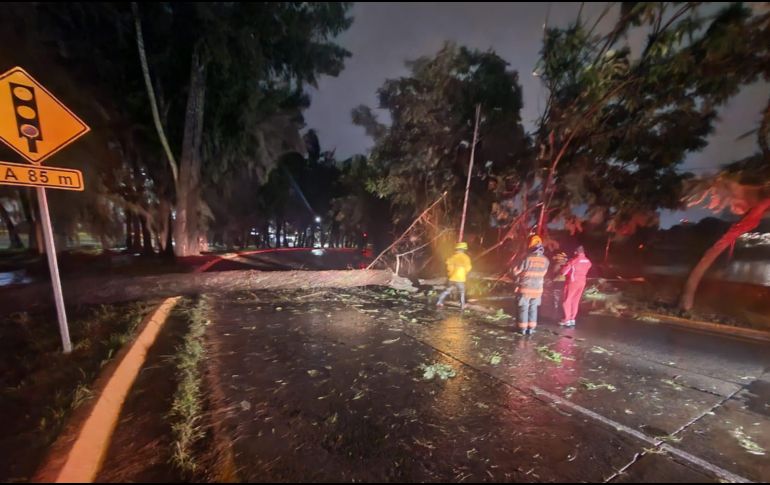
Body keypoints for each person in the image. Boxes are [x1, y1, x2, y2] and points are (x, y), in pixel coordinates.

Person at [512, 242, 549, 335]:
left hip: (526, 288)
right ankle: (531, 328)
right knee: (533, 307)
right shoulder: (546, 260)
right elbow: (544, 273)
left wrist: (514, 267)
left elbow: (516, 272)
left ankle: (522, 329)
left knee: (524, 307)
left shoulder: (527, 258)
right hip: (538, 289)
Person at [559, 246, 592, 328]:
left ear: (576, 252)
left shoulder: (573, 261)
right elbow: (587, 267)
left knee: (567, 300)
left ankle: (566, 319)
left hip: (573, 282)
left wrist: (565, 265)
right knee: (575, 300)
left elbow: (563, 272)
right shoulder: (588, 261)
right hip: (582, 282)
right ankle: (572, 319)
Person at [437, 242, 472, 310]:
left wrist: (450, 274)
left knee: (447, 291)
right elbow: (468, 268)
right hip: (460, 279)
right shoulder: (466, 258)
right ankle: (462, 306)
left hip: (452, 278)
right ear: (464, 249)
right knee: (462, 292)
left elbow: (448, 268)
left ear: (457, 249)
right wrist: (464, 273)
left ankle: (439, 302)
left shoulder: (452, 257)